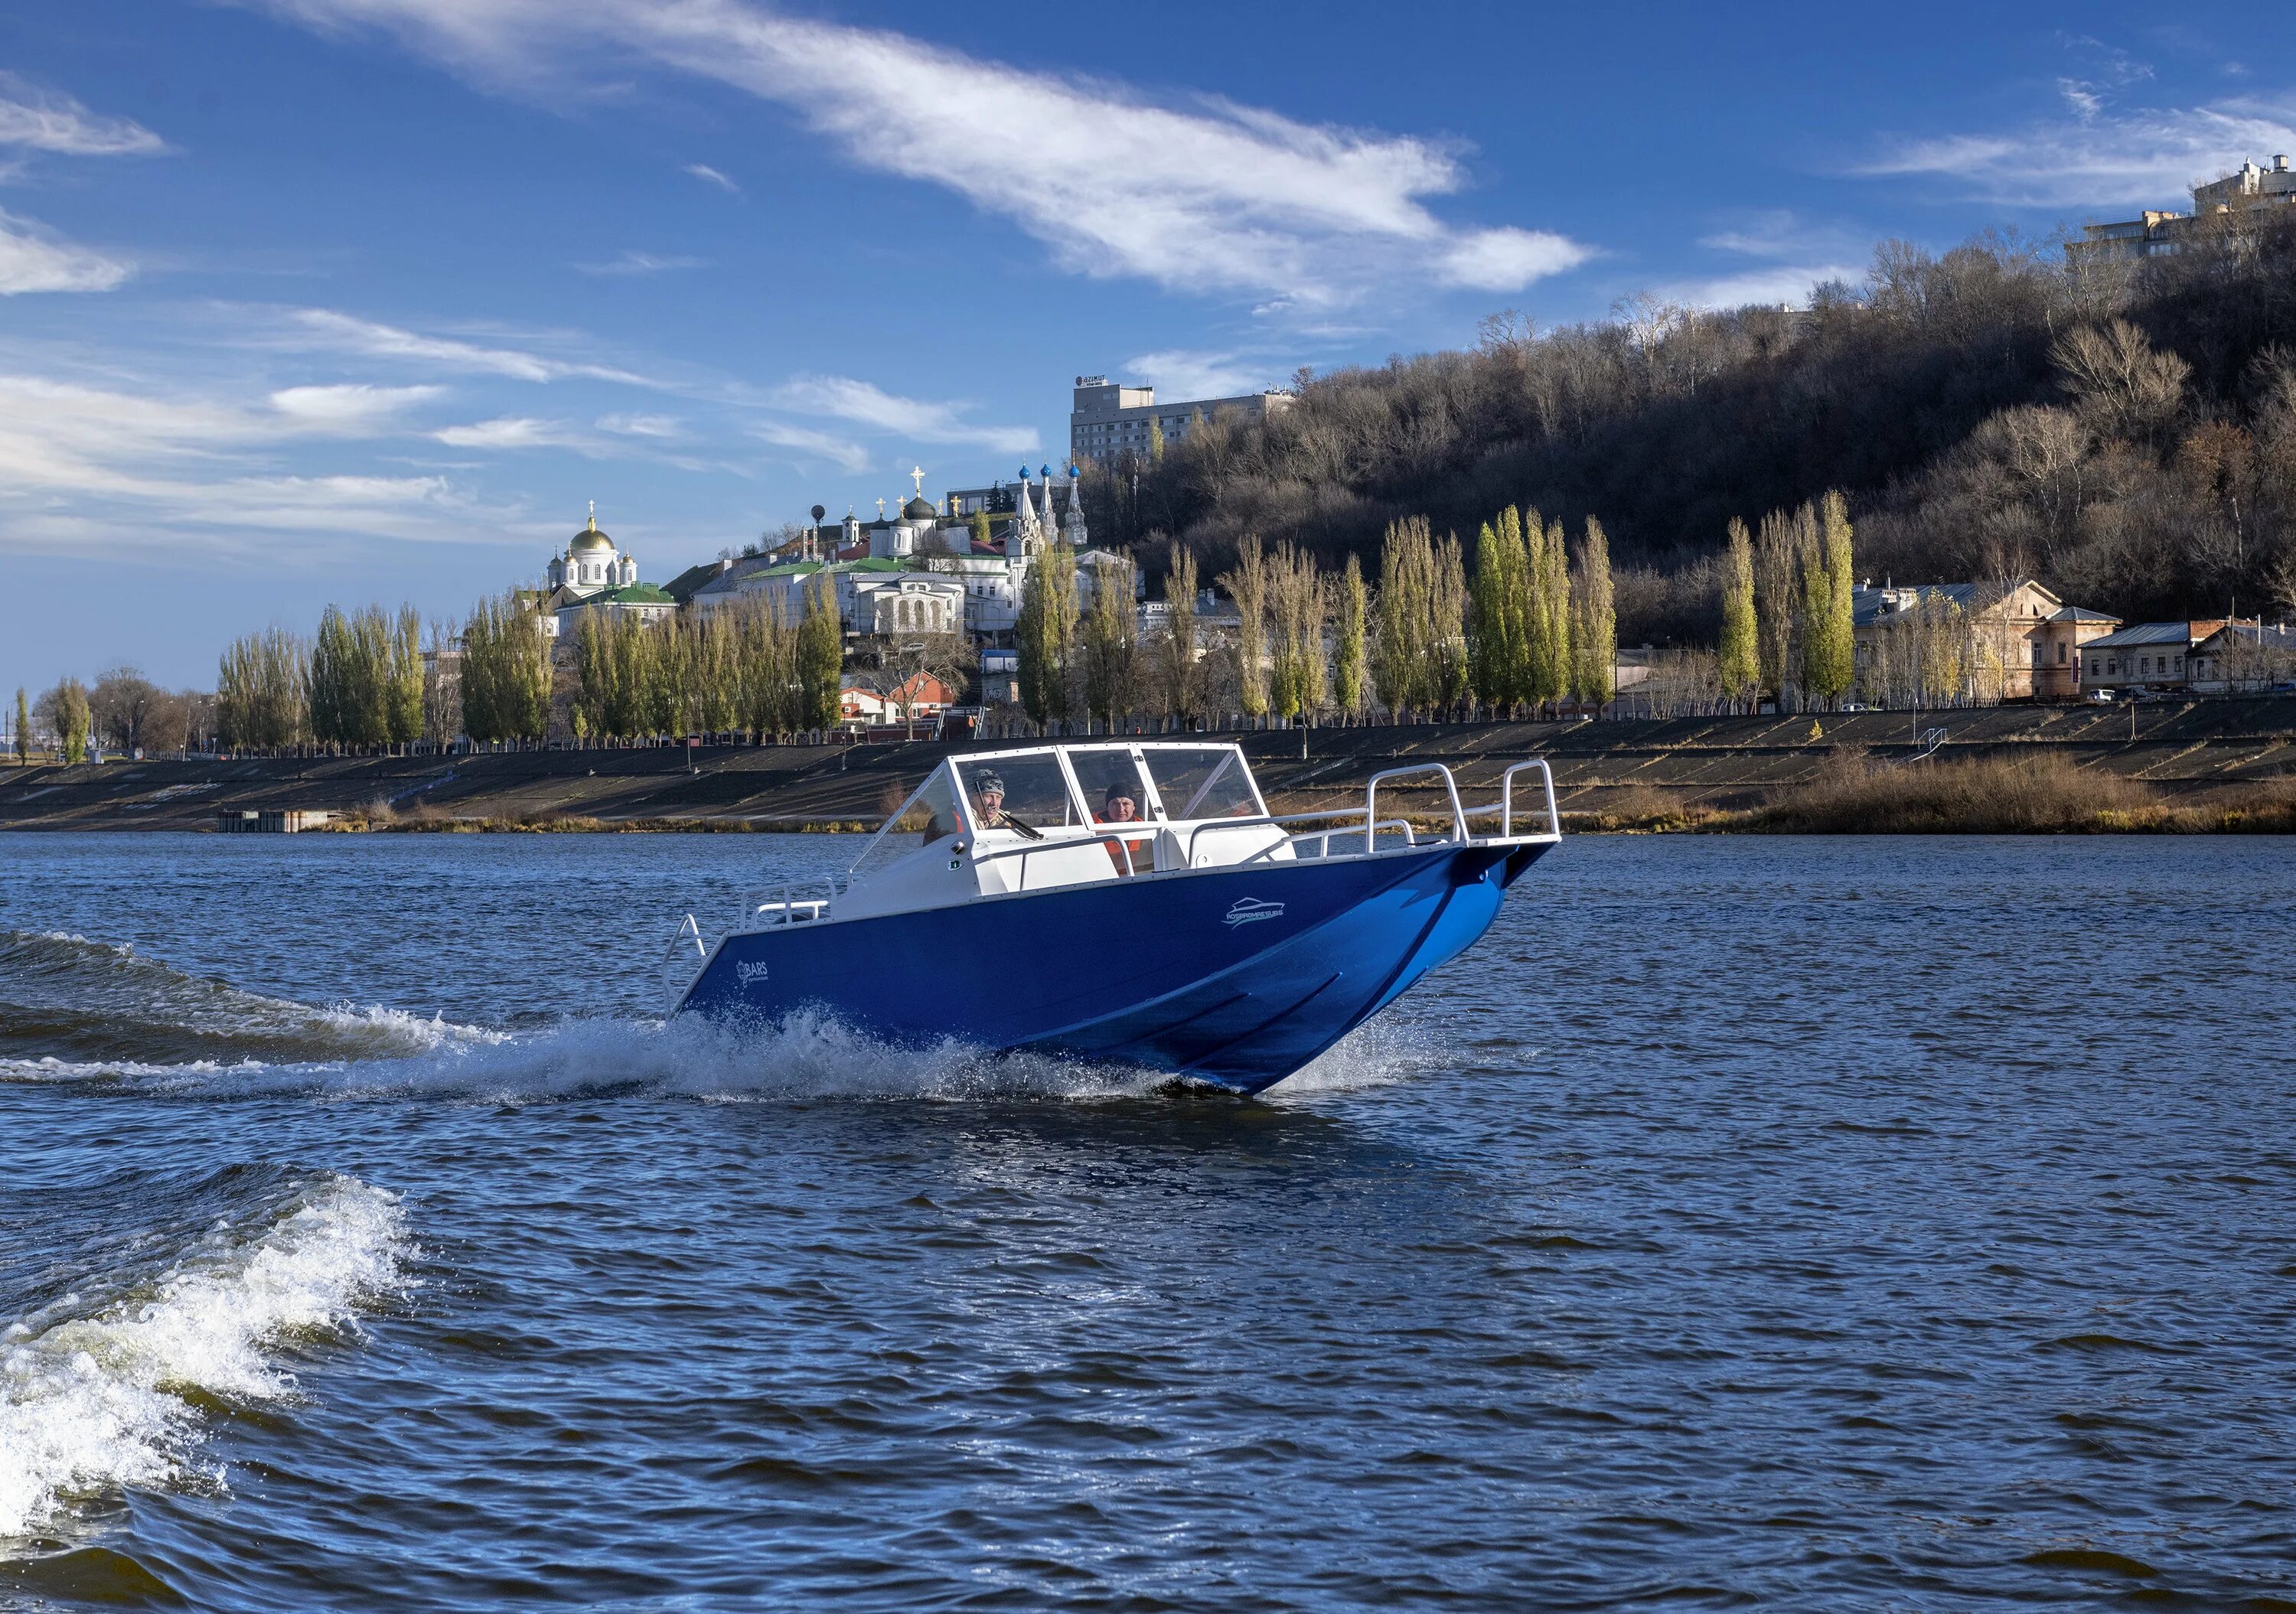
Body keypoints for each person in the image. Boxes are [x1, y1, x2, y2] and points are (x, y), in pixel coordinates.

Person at [1096, 781, 1149, 872]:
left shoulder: (1144, 829)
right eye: (1115, 804)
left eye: (1126, 804)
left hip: (1136, 879)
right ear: (1107, 807)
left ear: (1134, 807)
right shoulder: (1091, 828)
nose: (1121, 809)